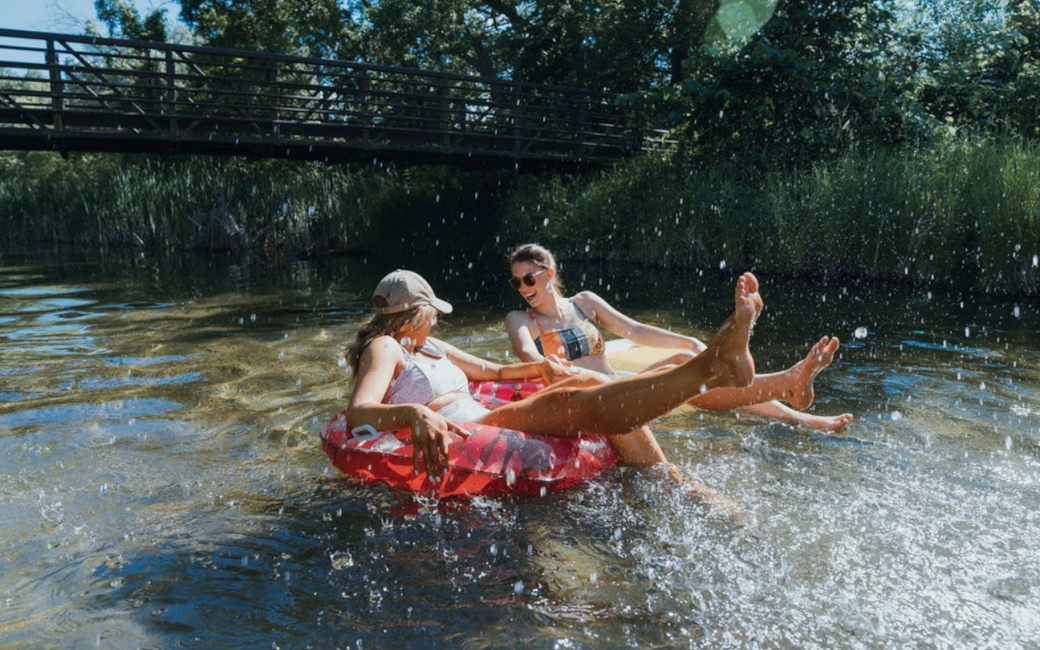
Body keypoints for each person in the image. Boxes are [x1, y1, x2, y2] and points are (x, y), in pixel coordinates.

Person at [345, 268, 766, 509]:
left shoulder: (430, 345)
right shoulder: (384, 347)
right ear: (415, 312)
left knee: (589, 380)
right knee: (572, 402)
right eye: (433, 313)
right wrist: (415, 413)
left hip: (483, 415)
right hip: (469, 429)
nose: (437, 319)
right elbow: (359, 412)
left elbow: (492, 370)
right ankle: (710, 367)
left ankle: (676, 476)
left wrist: (541, 368)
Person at [504, 243, 853, 432]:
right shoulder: (522, 319)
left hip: (617, 384)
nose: (523, 287)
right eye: (516, 282)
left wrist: (686, 341)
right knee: (689, 375)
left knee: (689, 360)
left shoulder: (585, 302)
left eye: (529, 279)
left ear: (549, 274)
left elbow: (635, 331)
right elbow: (527, 355)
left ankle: (798, 405)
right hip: (586, 397)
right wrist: (546, 363)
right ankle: (785, 383)